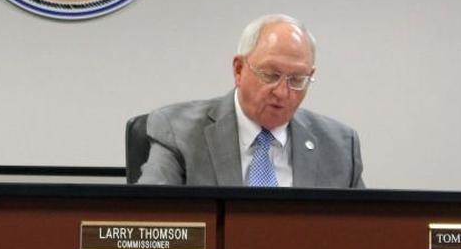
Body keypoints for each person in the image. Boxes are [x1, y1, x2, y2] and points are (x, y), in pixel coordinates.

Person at [136, 14, 364, 187]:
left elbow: (362, 231)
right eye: (270, 75)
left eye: (296, 79)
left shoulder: (340, 146)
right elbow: (150, 220)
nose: (282, 92)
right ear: (238, 69)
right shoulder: (178, 132)